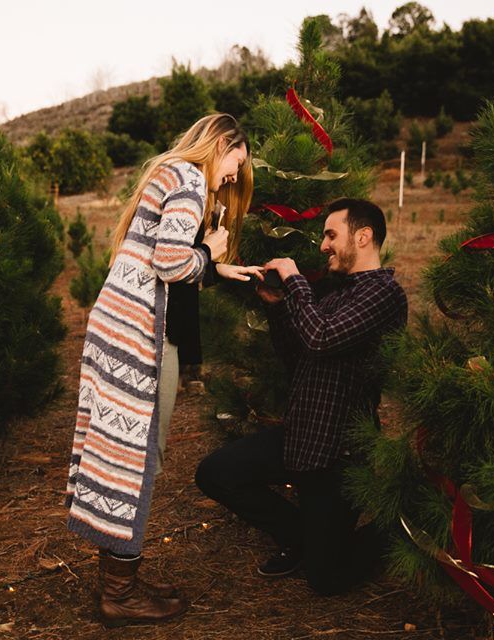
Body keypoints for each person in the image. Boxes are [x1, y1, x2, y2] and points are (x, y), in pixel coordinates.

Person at [64, 113, 261, 627]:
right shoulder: (192, 178)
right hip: (139, 337)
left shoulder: (168, 172)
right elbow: (173, 263)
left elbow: (155, 255)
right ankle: (119, 594)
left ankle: (118, 581)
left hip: (115, 324)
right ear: (221, 144)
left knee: (118, 451)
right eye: (236, 164)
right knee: (138, 455)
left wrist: (214, 266)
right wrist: (208, 251)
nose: (233, 178)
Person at [194, 198, 408, 596]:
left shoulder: (384, 294)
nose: (323, 245)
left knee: (327, 579)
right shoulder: (333, 292)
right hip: (301, 437)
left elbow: (322, 338)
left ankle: (397, 527)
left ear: (363, 237)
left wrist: (294, 281)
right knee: (215, 473)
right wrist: (278, 310)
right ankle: (300, 535)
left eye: (331, 234)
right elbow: (300, 358)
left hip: (338, 453)